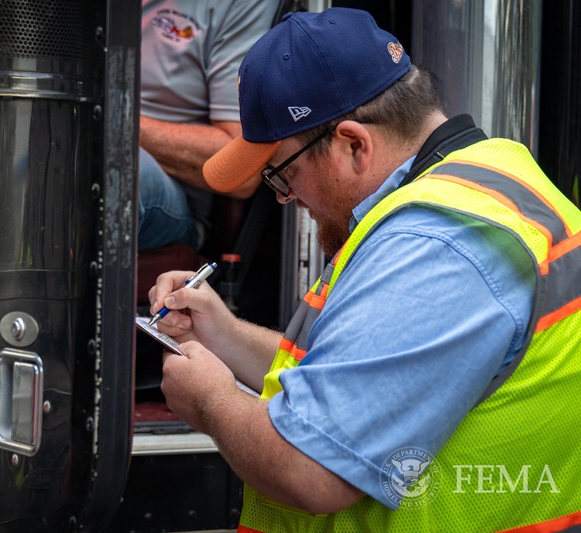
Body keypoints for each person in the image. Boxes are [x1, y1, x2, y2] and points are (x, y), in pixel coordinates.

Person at [148, 7, 581, 532]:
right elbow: (363, 373)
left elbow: (311, 469)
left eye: (282, 174)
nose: (286, 199)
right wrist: (224, 335)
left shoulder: (434, 243)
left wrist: (209, 400)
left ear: (354, 144)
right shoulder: (486, 180)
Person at [137, 0, 280, 251]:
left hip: (174, 194)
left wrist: (116, 124)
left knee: (116, 169)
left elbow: (242, 165)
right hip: (81, 136)